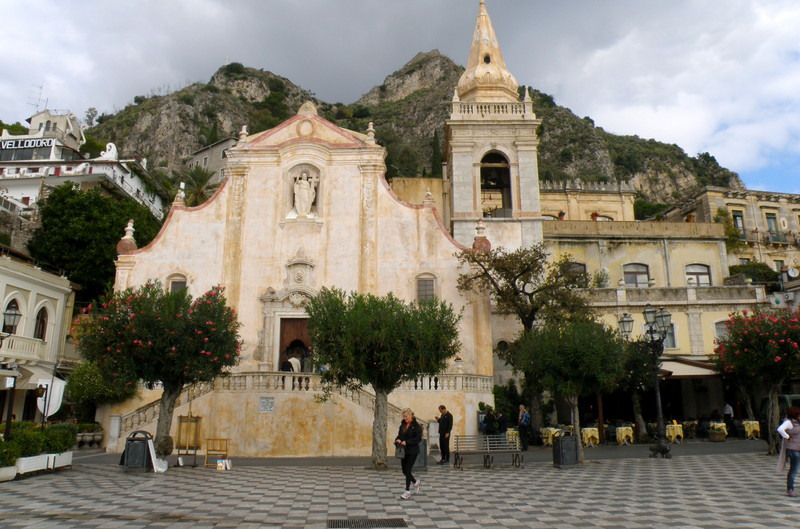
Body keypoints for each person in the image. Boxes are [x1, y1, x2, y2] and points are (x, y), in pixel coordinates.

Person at [395, 408, 422, 500]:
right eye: (404, 416)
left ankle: (407, 491)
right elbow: (399, 435)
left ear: (411, 416)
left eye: (406, 416)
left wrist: (407, 442)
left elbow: (418, 439)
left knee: (407, 469)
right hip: (404, 451)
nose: (405, 418)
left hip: (413, 451)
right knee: (404, 470)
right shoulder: (402, 425)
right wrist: (398, 439)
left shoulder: (416, 426)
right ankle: (415, 482)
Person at [777, 407, 800, 497]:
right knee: (794, 469)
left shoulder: (798, 422)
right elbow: (780, 429)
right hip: (793, 448)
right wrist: (787, 437)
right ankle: (790, 489)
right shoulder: (789, 422)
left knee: (795, 468)